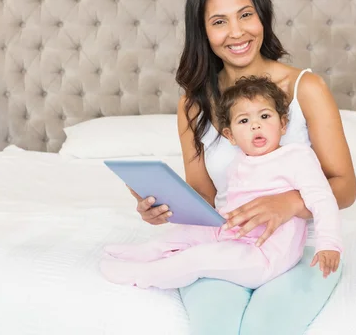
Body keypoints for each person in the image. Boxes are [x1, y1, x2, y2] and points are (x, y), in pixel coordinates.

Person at [128, 0, 356, 335]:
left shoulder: (305, 88)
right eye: (219, 22)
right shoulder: (193, 105)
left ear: (262, 16)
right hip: (230, 244)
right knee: (214, 327)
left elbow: (345, 186)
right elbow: (203, 198)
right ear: (202, 31)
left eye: (246, 15)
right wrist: (164, 209)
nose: (237, 32)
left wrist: (290, 203)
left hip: (301, 250)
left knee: (264, 328)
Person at [100, 76, 342, 290]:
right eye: (244, 121)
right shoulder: (239, 162)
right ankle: (150, 251)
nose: (255, 125)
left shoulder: (297, 156)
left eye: (265, 116)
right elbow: (231, 205)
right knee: (188, 232)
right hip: (232, 234)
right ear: (230, 136)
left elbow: (322, 199)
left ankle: (143, 276)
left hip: (265, 253)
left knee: (199, 258)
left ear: (283, 124)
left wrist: (328, 244)